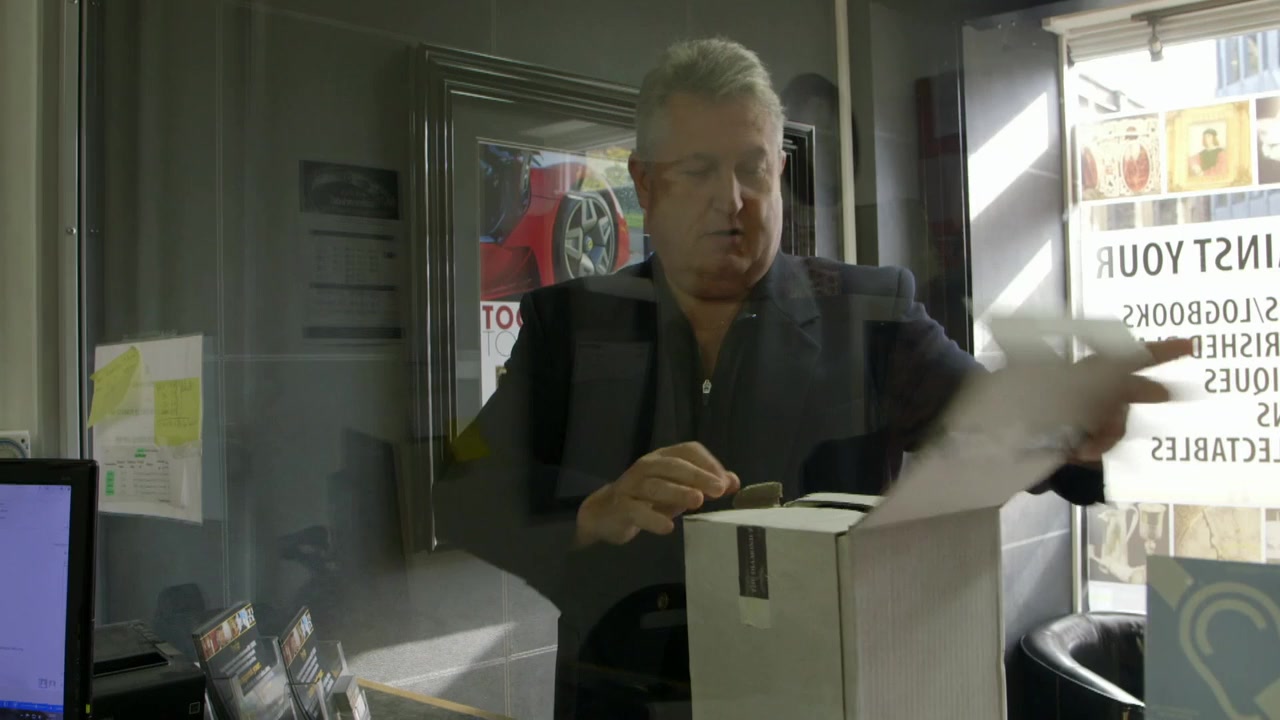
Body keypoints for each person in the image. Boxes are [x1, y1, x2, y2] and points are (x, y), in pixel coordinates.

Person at [436, 37, 1191, 719]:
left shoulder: (868, 313)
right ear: (646, 182)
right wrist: (590, 512)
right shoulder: (569, 324)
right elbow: (464, 488)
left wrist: (1067, 426)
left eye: (751, 168)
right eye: (698, 171)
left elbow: (981, 412)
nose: (731, 199)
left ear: (779, 170)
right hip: (618, 698)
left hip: (815, 697)